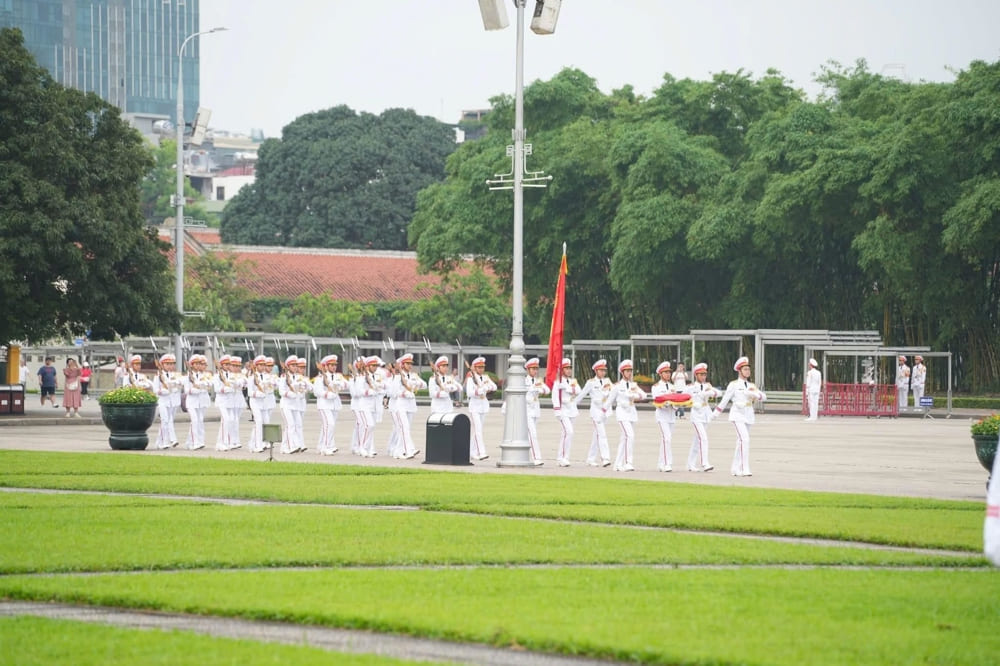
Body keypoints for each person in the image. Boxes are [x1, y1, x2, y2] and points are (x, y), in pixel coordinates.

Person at [715, 356, 767, 477]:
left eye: (748, 369)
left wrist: (755, 394)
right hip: (737, 414)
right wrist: (716, 413)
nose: (747, 371)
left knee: (741, 442)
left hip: (748, 414)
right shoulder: (733, 384)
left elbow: (764, 397)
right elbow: (725, 399)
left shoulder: (751, 385)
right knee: (745, 440)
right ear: (739, 371)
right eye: (745, 369)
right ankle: (745, 468)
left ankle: (735, 467)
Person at [387, 353, 426, 460]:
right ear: (402, 365)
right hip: (401, 406)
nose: (410, 365)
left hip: (411, 406)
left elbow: (424, 385)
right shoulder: (397, 377)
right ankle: (408, 450)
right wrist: (403, 393)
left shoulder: (413, 376)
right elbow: (393, 393)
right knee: (403, 428)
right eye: (407, 363)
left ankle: (397, 451)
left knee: (406, 429)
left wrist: (416, 383)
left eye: (411, 364)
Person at [575, 359, 613, 467]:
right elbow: (581, 395)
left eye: (604, 370)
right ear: (596, 371)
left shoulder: (608, 381)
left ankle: (590, 458)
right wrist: (572, 405)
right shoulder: (591, 382)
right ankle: (605, 458)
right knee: (602, 434)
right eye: (601, 370)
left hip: (604, 412)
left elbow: (613, 393)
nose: (603, 372)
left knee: (597, 435)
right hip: (596, 412)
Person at [610, 359, 646, 472]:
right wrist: (603, 412)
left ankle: (617, 464)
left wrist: (635, 395)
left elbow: (643, 395)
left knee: (624, 438)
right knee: (630, 436)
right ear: (622, 372)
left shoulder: (633, 385)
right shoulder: (617, 386)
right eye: (627, 371)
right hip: (621, 413)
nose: (629, 373)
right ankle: (628, 462)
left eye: (630, 370)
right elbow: (609, 400)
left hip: (631, 413)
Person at [687, 362, 720, 472]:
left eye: (704, 374)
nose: (703, 376)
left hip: (706, 414)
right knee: (703, 438)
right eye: (701, 374)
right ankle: (705, 463)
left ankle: (690, 464)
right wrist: (691, 404)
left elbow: (719, 393)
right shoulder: (691, 387)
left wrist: (710, 390)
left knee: (697, 441)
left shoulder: (707, 386)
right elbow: (683, 398)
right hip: (696, 415)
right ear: (696, 375)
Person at [465, 357, 497, 461]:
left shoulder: (486, 377)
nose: (481, 369)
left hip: (483, 406)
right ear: (474, 368)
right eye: (479, 367)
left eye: (482, 367)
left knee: (477, 431)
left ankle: (471, 452)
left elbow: (495, 386)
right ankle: (481, 452)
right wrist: (479, 391)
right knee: (478, 430)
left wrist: (487, 388)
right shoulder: (471, 378)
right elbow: (469, 392)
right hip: (474, 407)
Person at [551, 357, 581, 467]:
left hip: (572, 410)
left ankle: (563, 457)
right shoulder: (557, 382)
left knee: (566, 434)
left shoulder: (572, 381)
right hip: (563, 410)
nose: (569, 370)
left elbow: (578, 390)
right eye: (566, 368)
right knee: (569, 432)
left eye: (570, 368)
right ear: (562, 370)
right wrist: (557, 409)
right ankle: (562, 457)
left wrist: (567, 388)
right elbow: (554, 397)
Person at [523, 357, 550, 465]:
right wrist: (532, 390)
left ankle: (525, 455)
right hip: (527, 410)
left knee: (529, 435)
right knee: (532, 434)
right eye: (533, 368)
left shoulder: (538, 381)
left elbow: (547, 390)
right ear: (528, 370)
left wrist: (539, 389)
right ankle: (536, 458)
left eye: (536, 369)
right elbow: (523, 396)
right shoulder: (524, 381)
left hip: (535, 411)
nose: (535, 371)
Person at [650, 361, 677, 472]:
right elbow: (657, 400)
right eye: (665, 372)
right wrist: (668, 402)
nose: (668, 374)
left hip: (671, 415)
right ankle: (667, 463)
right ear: (660, 374)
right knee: (667, 438)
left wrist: (675, 404)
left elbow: (676, 400)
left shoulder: (672, 386)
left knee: (665, 439)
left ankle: (660, 463)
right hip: (662, 415)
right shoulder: (656, 387)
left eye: (669, 372)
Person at [183, 354, 212, 451]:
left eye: (199, 363)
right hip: (191, 402)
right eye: (196, 363)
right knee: (194, 421)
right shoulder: (187, 376)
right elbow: (187, 390)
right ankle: (195, 443)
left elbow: (209, 384)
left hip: (201, 402)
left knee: (199, 421)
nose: (198, 365)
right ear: (191, 365)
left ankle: (196, 441)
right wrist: (196, 390)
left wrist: (199, 385)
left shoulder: (204, 375)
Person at [152, 353, 182, 448]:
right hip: (162, 401)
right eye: (167, 364)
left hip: (172, 402)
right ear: (162, 365)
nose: (170, 366)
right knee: (165, 420)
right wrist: (165, 391)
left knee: (168, 421)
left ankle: (159, 442)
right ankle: (170, 440)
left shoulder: (176, 375)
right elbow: (155, 390)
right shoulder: (158, 376)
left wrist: (174, 387)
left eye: (172, 364)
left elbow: (179, 385)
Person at [247, 355, 276, 453]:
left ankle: (255, 443)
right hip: (255, 402)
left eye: (264, 364)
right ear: (256, 365)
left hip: (264, 403)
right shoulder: (251, 378)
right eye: (260, 365)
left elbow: (271, 386)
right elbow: (249, 393)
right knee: (258, 421)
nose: (263, 367)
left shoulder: (268, 377)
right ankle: (256, 445)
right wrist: (258, 394)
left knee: (265, 422)